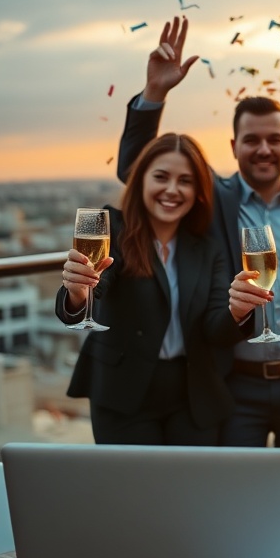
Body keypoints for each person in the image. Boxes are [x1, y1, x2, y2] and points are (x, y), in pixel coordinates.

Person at [116, 16, 280, 507]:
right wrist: (154, 95)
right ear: (234, 147)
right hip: (234, 387)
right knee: (234, 505)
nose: (263, 149)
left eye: (274, 139)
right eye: (251, 140)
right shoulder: (211, 201)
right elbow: (138, 168)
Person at [56, 133, 244, 445]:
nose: (172, 189)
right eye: (161, 177)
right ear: (140, 180)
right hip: (123, 391)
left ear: (198, 191)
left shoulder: (207, 249)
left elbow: (215, 329)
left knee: (193, 478)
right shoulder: (112, 227)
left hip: (192, 395)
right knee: (134, 479)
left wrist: (238, 310)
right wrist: (78, 291)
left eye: (185, 181)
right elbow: (96, 285)